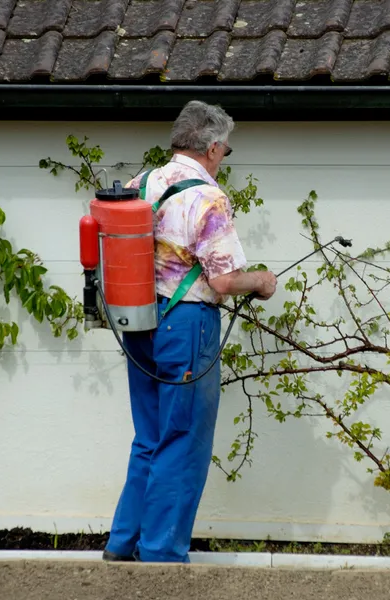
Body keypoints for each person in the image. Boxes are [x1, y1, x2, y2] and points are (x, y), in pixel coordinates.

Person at [103, 100, 277, 563]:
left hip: (140, 321)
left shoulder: (142, 183)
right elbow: (222, 281)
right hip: (187, 327)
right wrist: (259, 281)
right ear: (214, 147)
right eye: (227, 149)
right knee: (182, 439)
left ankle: (123, 544)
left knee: (150, 436)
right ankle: (160, 553)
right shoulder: (207, 196)